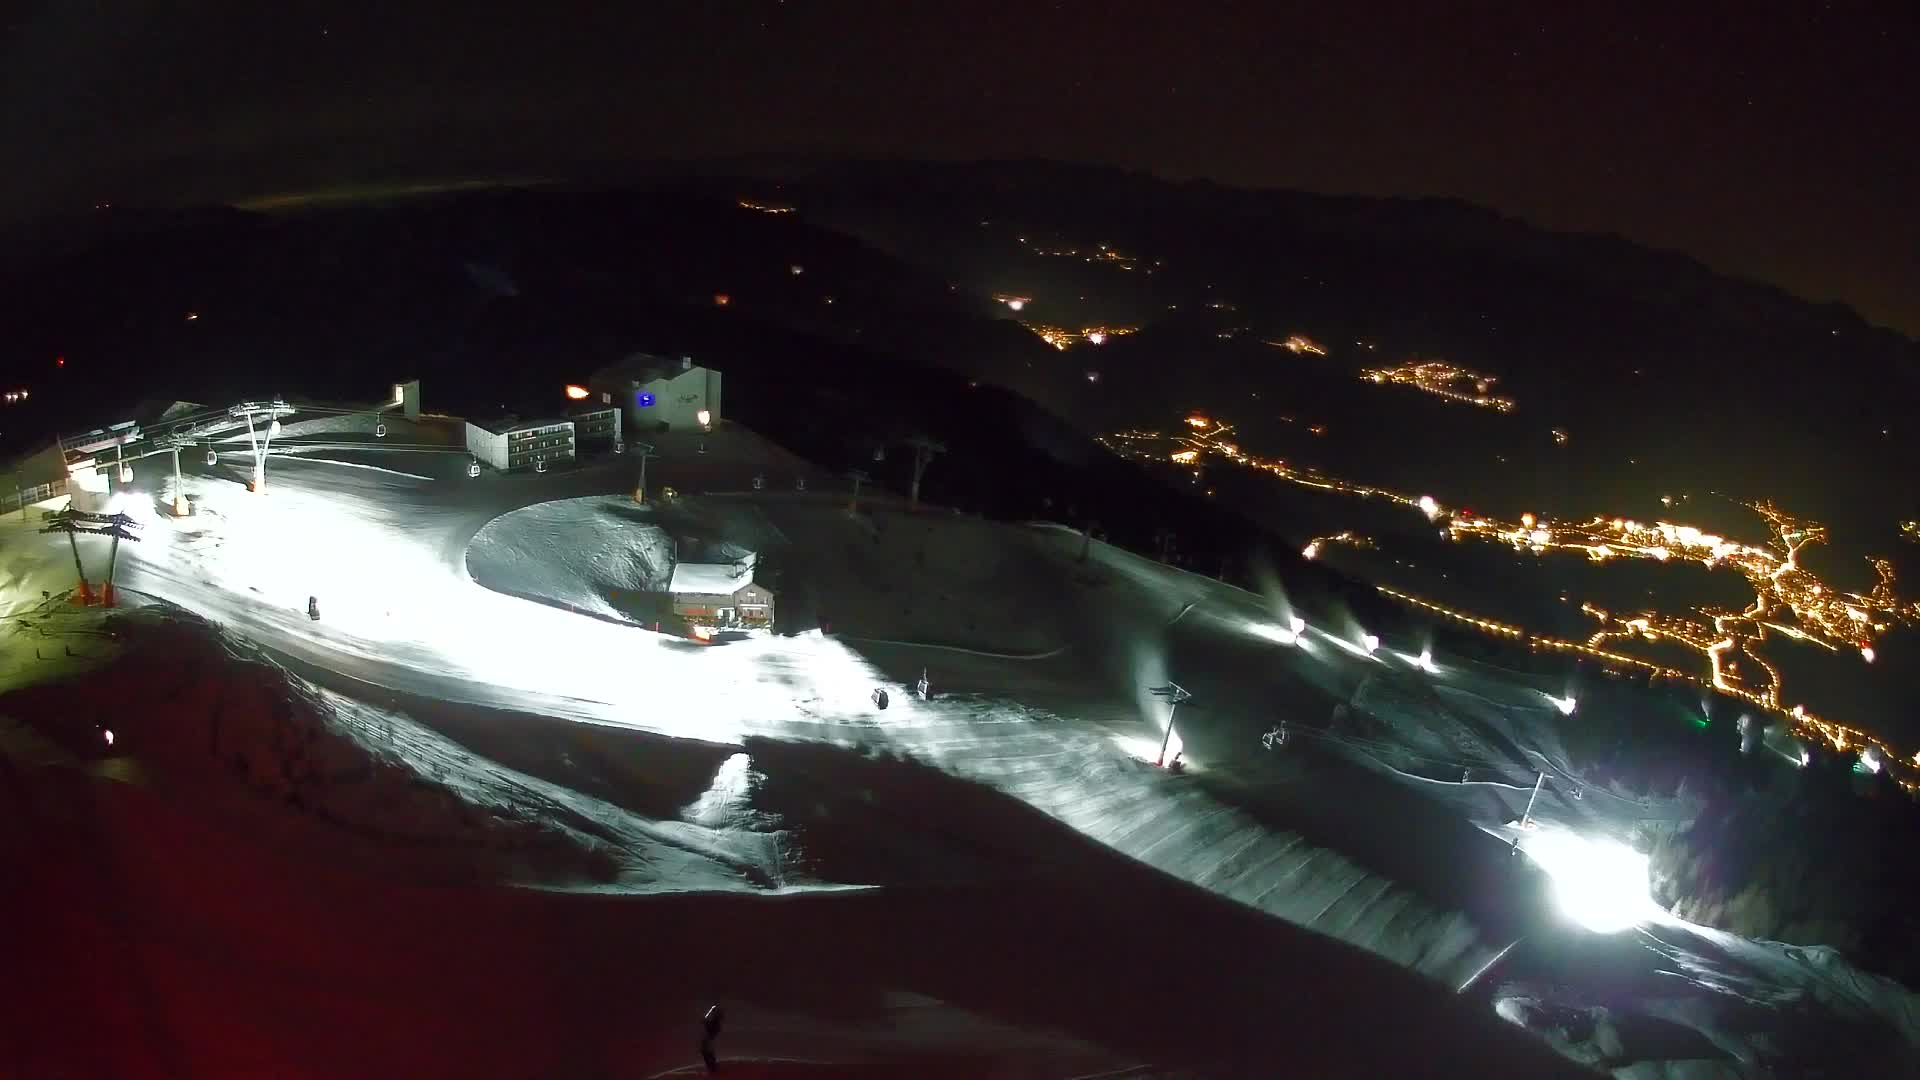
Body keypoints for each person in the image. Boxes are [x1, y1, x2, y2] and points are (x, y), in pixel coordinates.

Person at [699, 1003, 724, 1073]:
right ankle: (712, 1067)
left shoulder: (715, 1023)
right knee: (707, 1052)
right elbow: (708, 1025)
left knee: (707, 1052)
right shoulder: (715, 1023)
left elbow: (710, 1027)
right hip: (709, 1039)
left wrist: (705, 1022)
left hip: (709, 1039)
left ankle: (712, 1068)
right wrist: (705, 1022)